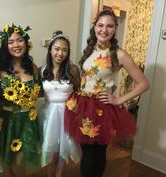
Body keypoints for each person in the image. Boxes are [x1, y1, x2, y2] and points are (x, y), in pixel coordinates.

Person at [64, 8, 150, 177]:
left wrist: (119, 100)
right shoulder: (89, 49)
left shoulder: (119, 54)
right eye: (100, 25)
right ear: (95, 27)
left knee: (95, 152)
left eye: (109, 26)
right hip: (83, 105)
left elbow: (144, 83)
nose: (104, 30)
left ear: (115, 29)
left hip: (100, 109)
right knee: (87, 150)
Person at [0, 23, 41, 177]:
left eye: (19, 40)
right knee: (6, 159)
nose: (16, 45)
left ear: (26, 43)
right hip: (4, 119)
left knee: (19, 164)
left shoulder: (33, 67)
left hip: (26, 120)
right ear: (5, 46)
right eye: (11, 42)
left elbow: (40, 91)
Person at [40, 30, 81, 177]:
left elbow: (77, 92)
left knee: (63, 152)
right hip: (48, 116)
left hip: (67, 114)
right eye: (57, 49)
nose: (60, 53)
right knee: (50, 151)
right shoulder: (42, 71)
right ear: (50, 49)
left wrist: (75, 105)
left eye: (65, 50)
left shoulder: (73, 70)